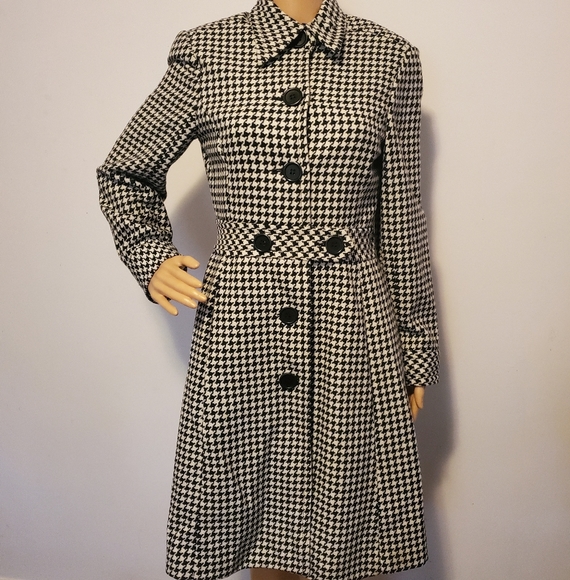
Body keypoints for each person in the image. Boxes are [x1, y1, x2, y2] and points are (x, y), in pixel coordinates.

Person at [97, 0, 440, 579]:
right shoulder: (206, 52)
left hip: (351, 325)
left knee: (341, 527)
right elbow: (125, 172)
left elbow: (402, 221)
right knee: (258, 523)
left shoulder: (391, 59)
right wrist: (151, 256)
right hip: (242, 323)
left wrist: (416, 347)